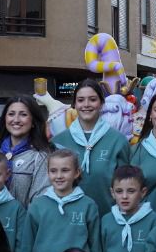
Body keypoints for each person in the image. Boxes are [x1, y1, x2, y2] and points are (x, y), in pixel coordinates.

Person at [19, 150, 102, 252]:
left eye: (65, 170)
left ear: (77, 172)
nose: (59, 176)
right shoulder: (38, 205)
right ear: (48, 173)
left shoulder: (88, 205)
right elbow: (26, 250)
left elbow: (96, 249)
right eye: (53, 171)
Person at [51, 80, 130, 213]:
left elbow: (126, 186)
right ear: (74, 105)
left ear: (101, 104)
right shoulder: (58, 142)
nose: (86, 105)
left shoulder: (118, 141)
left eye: (92, 99)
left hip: (107, 221)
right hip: (67, 222)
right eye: (81, 100)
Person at [0, 96, 52, 207]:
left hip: (24, 222)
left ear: (33, 122)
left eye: (23, 114)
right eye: (11, 114)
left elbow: (39, 201)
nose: (16, 120)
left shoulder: (40, 156)